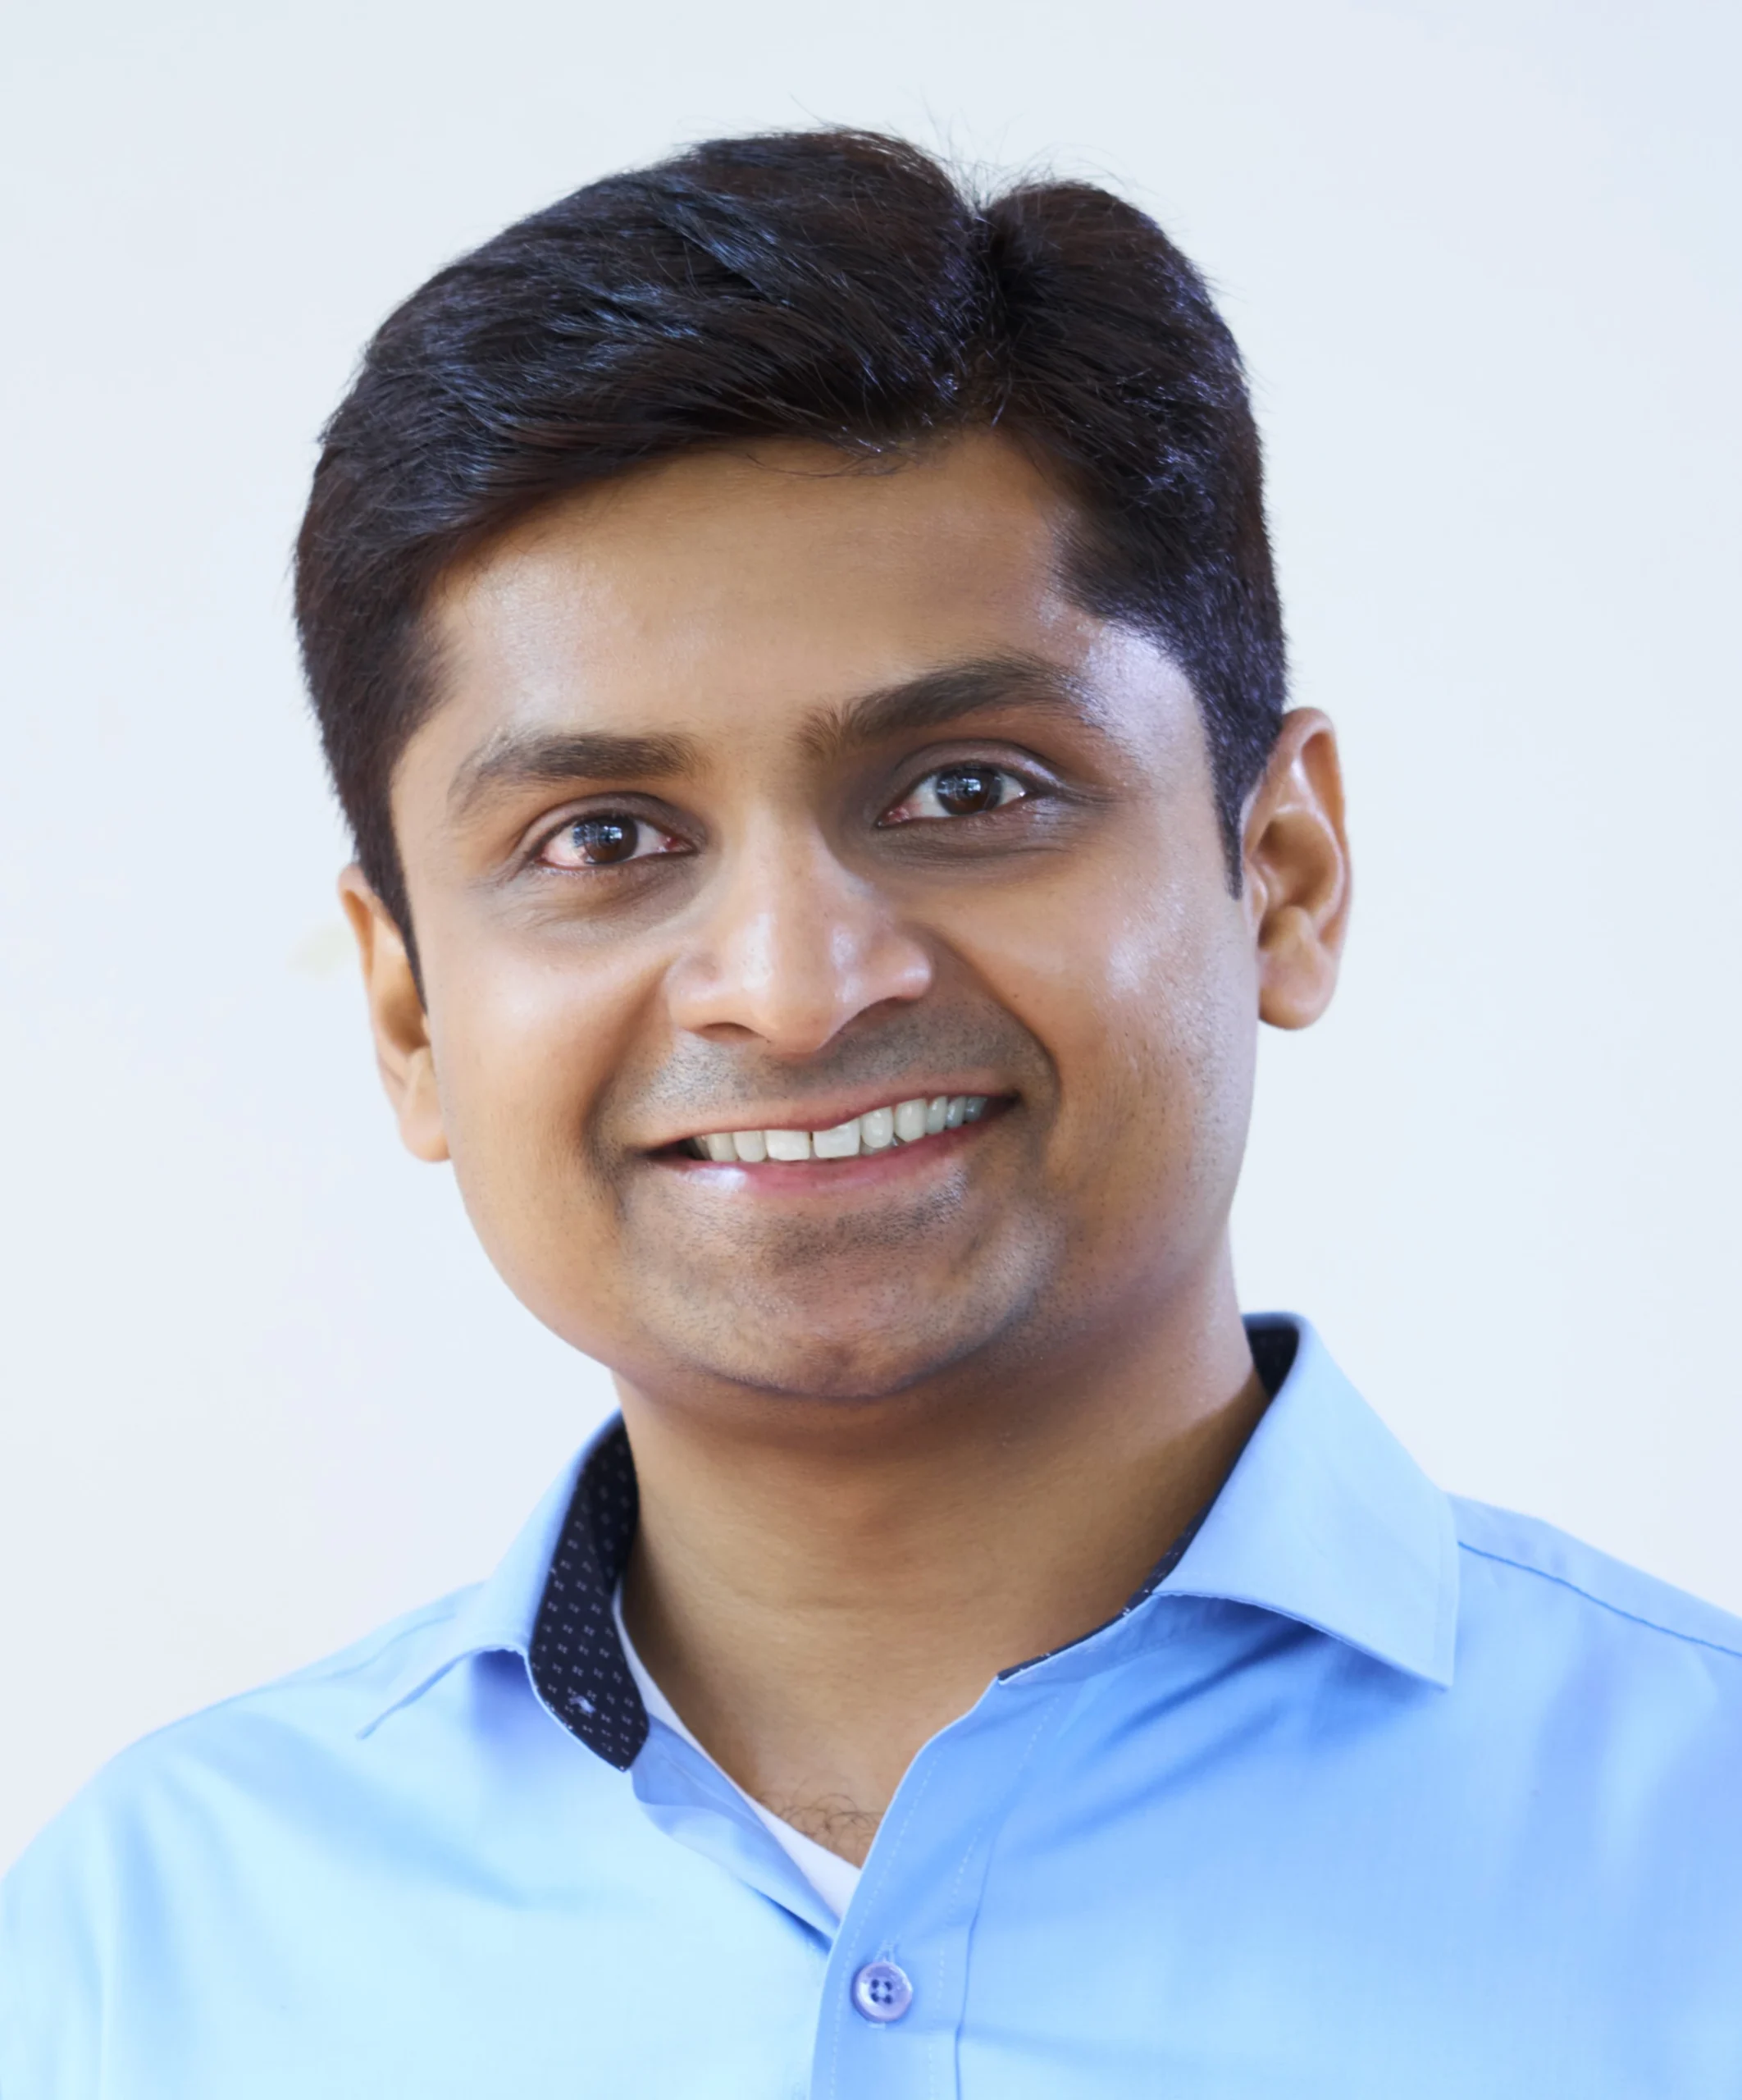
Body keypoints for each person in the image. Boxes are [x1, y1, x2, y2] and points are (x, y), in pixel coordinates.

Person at [3, 126, 1739, 2098]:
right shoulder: (136, 1957)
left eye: (967, 790)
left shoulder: (1706, 1859)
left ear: (1286, 868)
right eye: (602, 836)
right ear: (407, 1006)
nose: (798, 982)